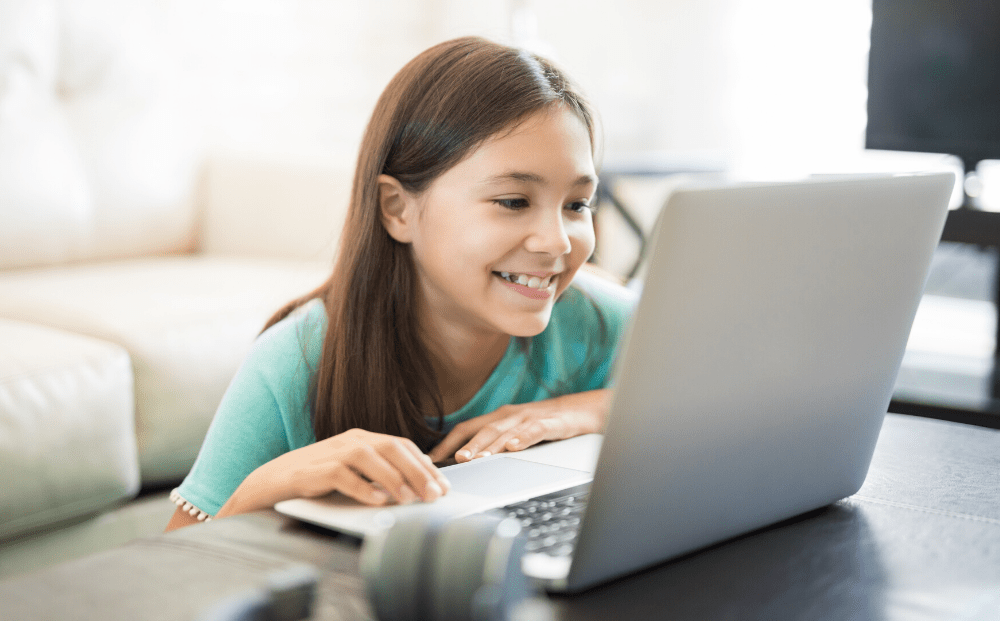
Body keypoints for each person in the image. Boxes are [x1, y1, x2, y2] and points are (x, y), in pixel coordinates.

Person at [166, 36, 636, 531]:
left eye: (577, 205)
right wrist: (275, 481)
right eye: (514, 201)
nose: (557, 242)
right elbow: (175, 572)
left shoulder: (603, 321)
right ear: (397, 209)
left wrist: (587, 410)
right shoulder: (299, 359)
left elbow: (723, 405)